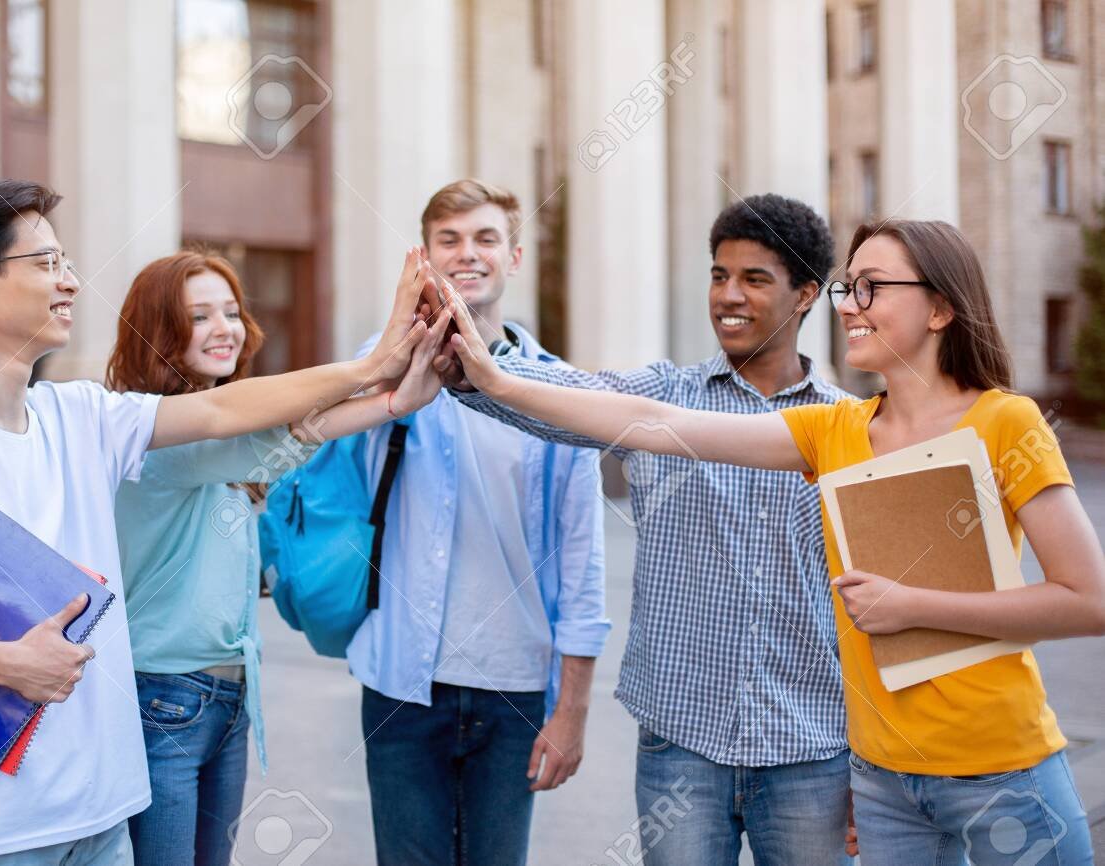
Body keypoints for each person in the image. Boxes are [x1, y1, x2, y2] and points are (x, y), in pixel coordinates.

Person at [0, 180, 437, 865]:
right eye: (46, 264)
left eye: (66, 263)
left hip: (105, 820)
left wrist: (379, 378)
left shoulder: (80, 416)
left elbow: (228, 412)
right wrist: (4, 662)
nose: (71, 281)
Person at [441, 217, 1105, 866]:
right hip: (886, 782)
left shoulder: (1007, 421)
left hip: (1000, 768)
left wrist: (913, 607)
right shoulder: (834, 430)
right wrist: (498, 380)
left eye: (872, 287)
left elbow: (1088, 600)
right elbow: (654, 421)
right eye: (849, 288)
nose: (850, 306)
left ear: (938, 308)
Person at [442, 193, 854, 865]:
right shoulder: (663, 396)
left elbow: (865, 612)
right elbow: (570, 398)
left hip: (810, 752)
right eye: (719, 275)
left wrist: (870, 763)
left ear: (806, 293)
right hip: (681, 747)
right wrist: (471, 365)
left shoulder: (848, 426)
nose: (729, 295)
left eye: (755, 279)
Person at [107, 250, 449, 866]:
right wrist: (378, 370)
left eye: (231, 312)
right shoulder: (149, 436)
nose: (224, 328)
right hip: (163, 699)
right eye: (198, 315)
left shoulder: (218, 435)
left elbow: (293, 436)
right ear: (159, 330)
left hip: (225, 697)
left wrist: (394, 400)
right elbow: (290, 435)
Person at [346, 179, 610, 866]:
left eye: (486, 238)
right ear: (424, 257)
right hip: (400, 683)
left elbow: (582, 564)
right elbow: (306, 446)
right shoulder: (378, 366)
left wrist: (572, 711)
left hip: (513, 690)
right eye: (450, 240)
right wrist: (397, 356)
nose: (469, 254)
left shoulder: (559, 391)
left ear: (514, 256)